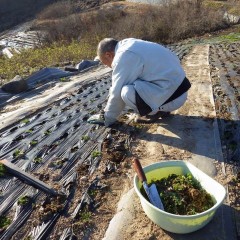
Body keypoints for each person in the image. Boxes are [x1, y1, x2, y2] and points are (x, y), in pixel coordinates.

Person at [87, 38, 191, 126]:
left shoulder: (124, 56)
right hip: (179, 90)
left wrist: (107, 117)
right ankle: (161, 109)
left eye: (106, 63)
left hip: (173, 97)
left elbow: (117, 92)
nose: (109, 66)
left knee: (125, 91)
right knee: (135, 81)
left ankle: (154, 112)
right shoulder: (130, 44)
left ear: (108, 55)